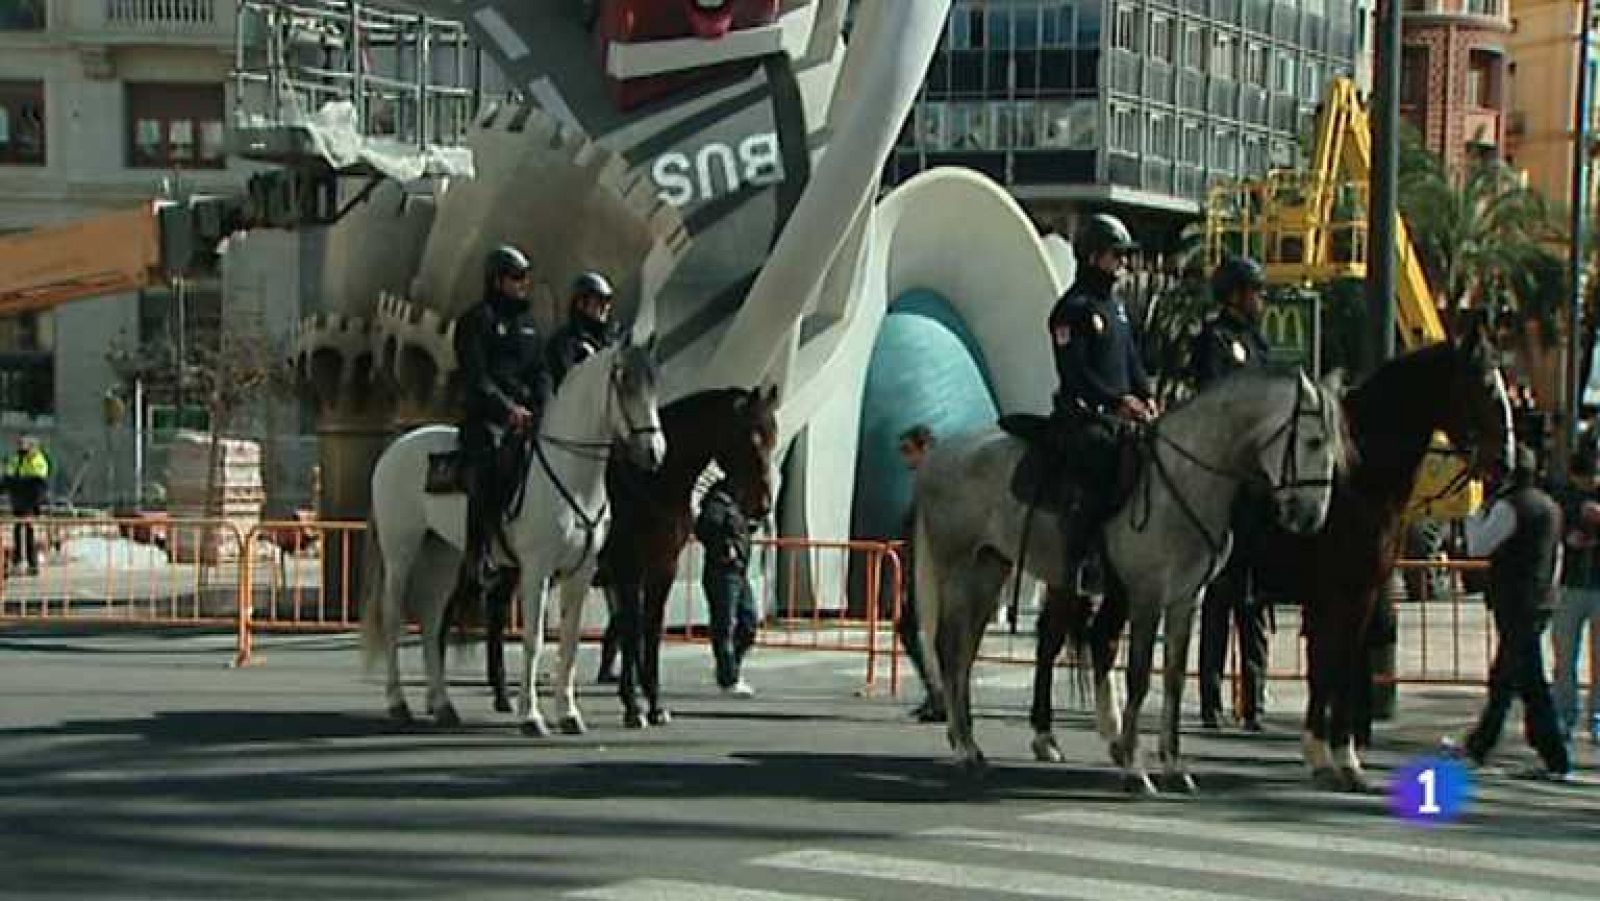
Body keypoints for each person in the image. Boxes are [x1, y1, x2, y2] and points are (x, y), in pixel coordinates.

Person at [1443, 444, 1572, 781]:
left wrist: (1472, 511)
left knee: (1508, 680)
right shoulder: (1549, 507)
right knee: (1527, 679)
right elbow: (1557, 557)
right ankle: (1549, 753)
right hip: (1540, 600)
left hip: (1514, 601)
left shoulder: (1508, 508)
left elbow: (1477, 546)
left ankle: (1484, 747)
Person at [1048, 212, 1156, 583]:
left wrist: (1146, 395)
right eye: (1116, 254)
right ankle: (1086, 557)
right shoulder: (1071, 310)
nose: (1123, 263)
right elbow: (1075, 374)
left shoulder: (1117, 308)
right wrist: (1116, 401)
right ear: (1093, 257)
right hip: (1083, 416)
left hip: (1122, 415)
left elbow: (1131, 360)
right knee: (1100, 463)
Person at [1191, 256, 1271, 731]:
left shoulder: (1257, 342)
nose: (1260, 301)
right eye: (1254, 292)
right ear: (1235, 294)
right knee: (1220, 598)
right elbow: (1214, 402)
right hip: (1223, 481)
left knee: (1253, 602)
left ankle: (1254, 702)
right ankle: (1211, 700)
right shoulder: (1214, 341)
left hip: (1255, 484)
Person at [543, 271, 626, 685]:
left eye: (606, 304)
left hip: (601, 442)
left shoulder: (611, 347)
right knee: (503, 464)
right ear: (580, 304)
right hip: (562, 432)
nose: (601, 310)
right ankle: (487, 537)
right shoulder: (565, 343)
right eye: (595, 303)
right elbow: (568, 388)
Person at [452, 244, 552, 584]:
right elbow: (476, 376)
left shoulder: (529, 325)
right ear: (497, 280)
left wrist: (544, 402)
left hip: (527, 418)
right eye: (516, 278)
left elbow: (541, 370)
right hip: (486, 419)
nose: (523, 284)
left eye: (525, 277)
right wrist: (508, 411)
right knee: (487, 465)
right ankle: (477, 553)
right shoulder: (476, 321)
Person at [897, 424, 944, 722]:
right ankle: (936, 693)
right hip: (920, 568)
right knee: (913, 629)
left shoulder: (937, 482)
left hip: (932, 570)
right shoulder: (926, 481)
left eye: (907, 451)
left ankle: (940, 694)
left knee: (927, 632)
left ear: (923, 448)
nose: (905, 459)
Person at [695, 477, 759, 697]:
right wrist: (725, 546)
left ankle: (730, 666)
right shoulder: (718, 502)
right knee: (725, 625)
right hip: (722, 571)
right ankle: (728, 678)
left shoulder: (738, 505)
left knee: (749, 622)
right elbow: (705, 527)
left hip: (739, 572)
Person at [1553, 448, 1600, 744]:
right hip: (1570, 585)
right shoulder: (1563, 498)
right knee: (1564, 657)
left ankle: (1597, 717)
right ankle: (1564, 716)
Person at [6, 434, 49, 576]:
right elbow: (9, 475)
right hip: (19, 499)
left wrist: (21, 481)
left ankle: (32, 562)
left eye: (24, 445)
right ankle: (18, 560)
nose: (22, 447)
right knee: (18, 530)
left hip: (31, 500)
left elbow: (38, 479)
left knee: (30, 530)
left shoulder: (38, 459)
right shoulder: (17, 459)